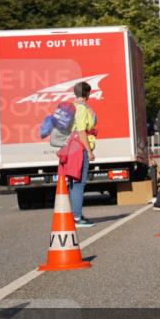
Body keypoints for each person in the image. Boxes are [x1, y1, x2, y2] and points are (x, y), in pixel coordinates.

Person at [68, 82, 97, 227]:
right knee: (79, 183)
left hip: (73, 148)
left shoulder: (74, 106)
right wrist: (89, 152)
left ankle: (75, 214)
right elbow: (81, 132)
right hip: (80, 149)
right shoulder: (81, 108)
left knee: (74, 183)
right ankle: (77, 217)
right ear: (87, 93)